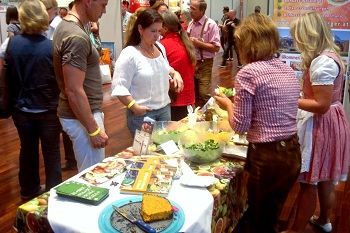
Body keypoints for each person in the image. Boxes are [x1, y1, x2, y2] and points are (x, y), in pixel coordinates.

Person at [214, 13, 301, 233]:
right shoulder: (286, 69)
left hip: (267, 156)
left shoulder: (249, 73)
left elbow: (240, 126)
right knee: (271, 214)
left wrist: (228, 105)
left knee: (261, 221)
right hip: (291, 152)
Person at [282, 12, 350, 233]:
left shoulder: (322, 62)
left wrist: (291, 97)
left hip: (322, 123)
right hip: (331, 120)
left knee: (309, 182)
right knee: (325, 178)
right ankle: (324, 219)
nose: (295, 41)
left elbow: (321, 104)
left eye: (297, 37)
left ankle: (295, 230)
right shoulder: (331, 56)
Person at [6, 0, 62, 200]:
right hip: (48, 109)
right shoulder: (50, 47)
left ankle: (28, 190)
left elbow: (10, 75)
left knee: (27, 150)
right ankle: (54, 195)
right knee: (52, 152)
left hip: (21, 109)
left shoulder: (13, 44)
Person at [52, 0, 109, 173]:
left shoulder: (71, 28)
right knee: (93, 178)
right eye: (103, 5)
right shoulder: (75, 35)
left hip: (82, 114)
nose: (104, 11)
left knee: (90, 175)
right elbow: (73, 90)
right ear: (88, 2)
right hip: (83, 117)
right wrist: (93, 130)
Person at [111, 9, 183, 138]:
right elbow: (119, 87)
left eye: (159, 31)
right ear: (140, 29)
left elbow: (165, 67)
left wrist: (174, 72)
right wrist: (135, 107)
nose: (157, 35)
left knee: (165, 148)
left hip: (164, 110)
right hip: (144, 115)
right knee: (145, 153)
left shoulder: (160, 48)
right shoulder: (130, 54)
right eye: (153, 31)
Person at [40, 0, 77, 171]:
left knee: (66, 124)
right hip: (47, 83)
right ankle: (70, 159)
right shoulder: (39, 27)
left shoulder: (61, 28)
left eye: (44, 9)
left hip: (60, 82)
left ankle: (72, 159)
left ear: (53, 9)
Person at [160, 11, 196, 121]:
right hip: (187, 96)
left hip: (174, 99)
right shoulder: (184, 41)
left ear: (165, 27)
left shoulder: (162, 45)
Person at [187, 0, 220, 107]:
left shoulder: (211, 25)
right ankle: (197, 117)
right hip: (192, 62)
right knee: (194, 93)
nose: (190, 11)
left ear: (202, 10)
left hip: (205, 63)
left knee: (204, 93)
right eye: (190, 8)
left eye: (193, 9)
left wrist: (198, 43)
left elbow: (216, 47)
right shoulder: (191, 24)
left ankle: (210, 116)